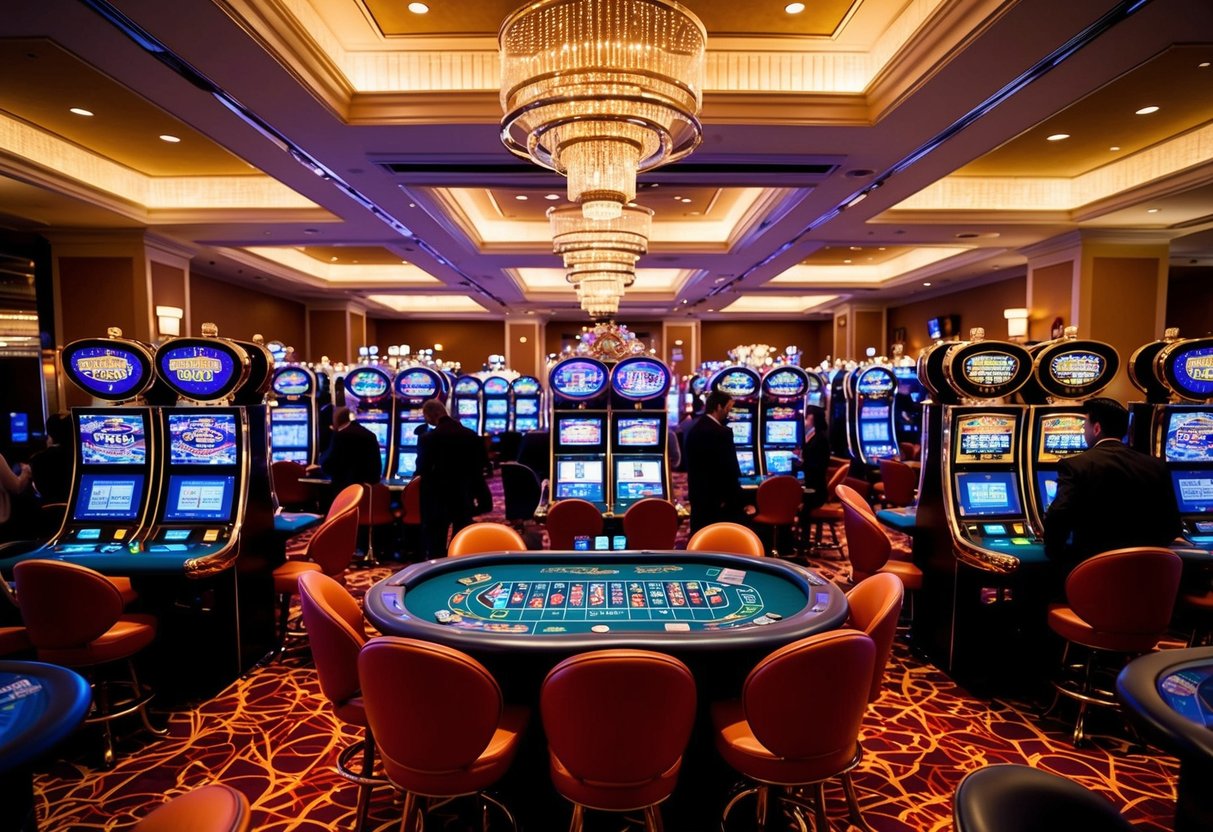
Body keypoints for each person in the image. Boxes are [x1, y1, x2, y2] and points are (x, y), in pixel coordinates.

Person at [1044, 397, 1180, 576]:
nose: (1084, 431)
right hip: (1146, 577)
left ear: (1097, 428)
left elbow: (1059, 516)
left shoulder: (1076, 465)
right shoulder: (1156, 465)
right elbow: (1172, 526)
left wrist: (1054, 551)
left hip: (1093, 574)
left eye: (1085, 425)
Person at [415, 398, 488, 557]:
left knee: (436, 541)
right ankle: (455, 566)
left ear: (429, 416)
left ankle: (436, 567)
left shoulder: (427, 438)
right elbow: (481, 466)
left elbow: (421, 469)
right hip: (463, 495)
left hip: (437, 496)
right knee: (460, 538)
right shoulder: (471, 435)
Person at [685, 390, 747, 533]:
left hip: (699, 494)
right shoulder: (721, 433)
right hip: (718, 500)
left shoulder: (696, 427)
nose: (729, 414)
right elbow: (730, 471)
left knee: (701, 535)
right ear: (719, 407)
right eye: (728, 409)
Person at [318, 407, 382, 500]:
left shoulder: (341, 435)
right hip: (367, 492)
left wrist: (319, 465)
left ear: (336, 420)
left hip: (345, 491)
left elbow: (327, 465)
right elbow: (377, 468)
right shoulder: (369, 434)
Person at [795, 405, 832, 516]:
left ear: (813, 418)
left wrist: (799, 464)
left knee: (788, 495)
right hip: (811, 486)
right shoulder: (814, 436)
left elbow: (816, 466)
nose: (804, 420)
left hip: (815, 491)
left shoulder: (820, 439)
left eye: (807, 417)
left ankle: (788, 529)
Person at [30, 412, 73, 504]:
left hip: (49, 510)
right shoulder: (83, 457)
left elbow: (40, 490)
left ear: (51, 435)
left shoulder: (38, 459)